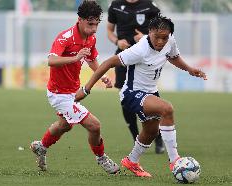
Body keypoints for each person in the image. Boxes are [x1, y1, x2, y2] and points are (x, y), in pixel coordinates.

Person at [75, 14, 207, 177]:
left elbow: (173, 57)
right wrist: (86, 88)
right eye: (157, 37)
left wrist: (189, 69)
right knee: (167, 109)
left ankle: (131, 161)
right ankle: (175, 161)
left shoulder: (169, 41)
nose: (160, 42)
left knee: (151, 130)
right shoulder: (140, 50)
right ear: (150, 32)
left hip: (150, 92)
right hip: (132, 93)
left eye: (164, 38)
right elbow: (108, 63)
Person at [30, 0, 120, 174]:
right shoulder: (65, 37)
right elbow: (51, 60)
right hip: (58, 94)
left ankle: (41, 146)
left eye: (96, 24)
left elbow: (92, 59)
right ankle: (101, 158)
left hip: (72, 92)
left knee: (65, 125)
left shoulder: (90, 38)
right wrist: (75, 58)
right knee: (94, 125)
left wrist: (102, 77)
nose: (94, 29)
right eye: (90, 24)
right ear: (80, 19)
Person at [107, 0, 165, 154]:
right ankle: (136, 138)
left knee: (149, 98)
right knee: (125, 99)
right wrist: (117, 42)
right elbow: (109, 31)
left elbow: (162, 30)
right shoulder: (115, 5)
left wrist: (146, 37)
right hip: (124, 56)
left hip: (145, 57)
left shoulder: (149, 5)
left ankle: (158, 138)